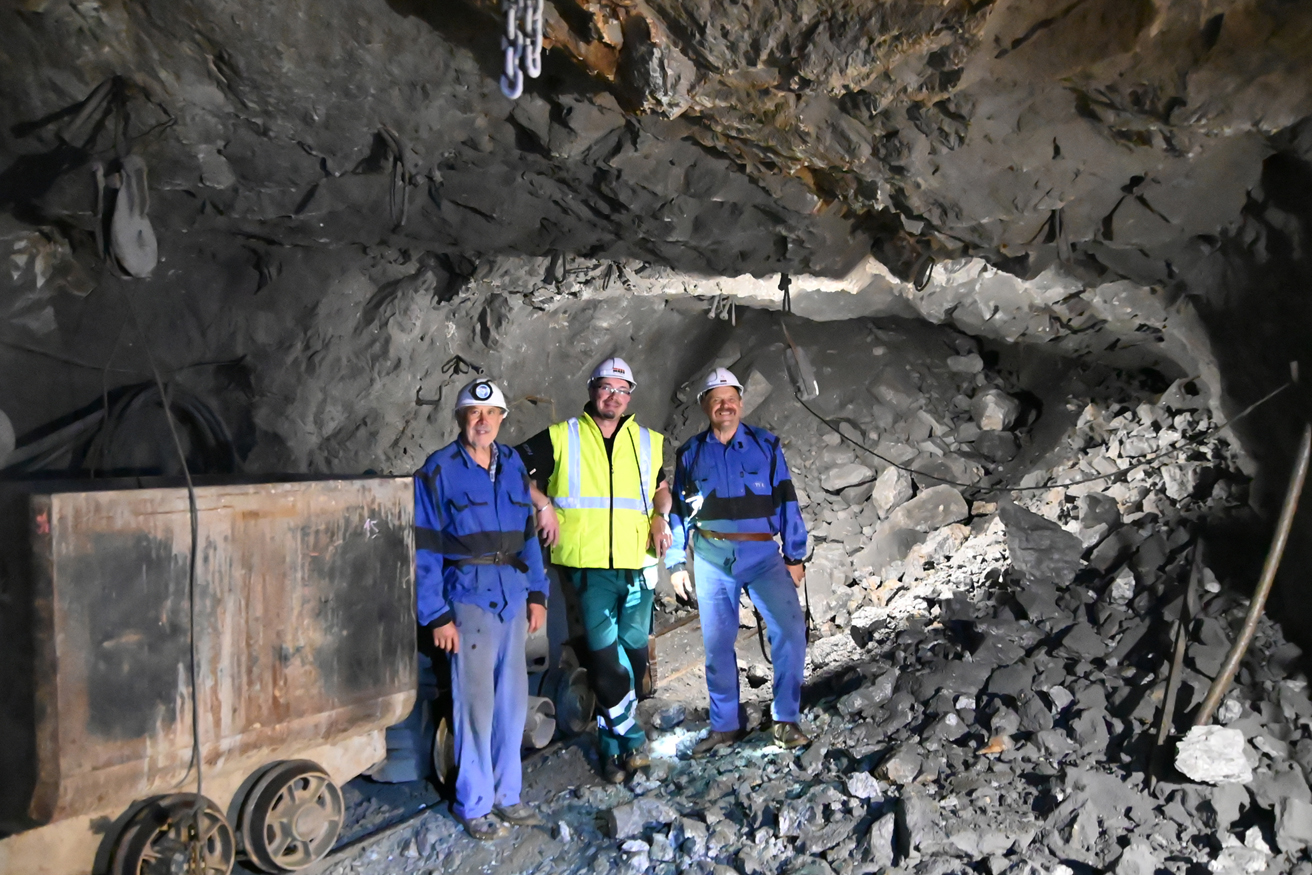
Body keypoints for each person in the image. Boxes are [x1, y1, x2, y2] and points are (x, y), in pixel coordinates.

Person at [517, 357, 673, 783]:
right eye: (606, 388)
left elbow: (661, 488)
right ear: (592, 390)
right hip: (589, 569)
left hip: (638, 564)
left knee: (633, 658)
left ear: (630, 397)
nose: (613, 397)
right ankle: (630, 742)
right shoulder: (562, 436)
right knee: (606, 661)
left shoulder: (647, 441)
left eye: (622, 391)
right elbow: (510, 466)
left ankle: (611, 742)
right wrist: (542, 503)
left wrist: (661, 515)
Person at [414, 378, 549, 841]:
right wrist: (436, 615)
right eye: (474, 412)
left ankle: (508, 795)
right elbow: (424, 548)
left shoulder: (512, 465)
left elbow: (528, 534)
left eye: (491, 414)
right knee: (476, 707)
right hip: (468, 600)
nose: (483, 421)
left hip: (512, 597)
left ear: (502, 419)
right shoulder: (438, 470)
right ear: (460, 418)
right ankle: (473, 803)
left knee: (511, 704)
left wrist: (537, 594)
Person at [666, 367, 811, 756]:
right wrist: (676, 562)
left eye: (730, 399)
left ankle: (785, 719)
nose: (724, 406)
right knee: (717, 645)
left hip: (762, 555)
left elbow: (787, 500)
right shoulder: (691, 454)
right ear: (705, 406)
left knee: (790, 630)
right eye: (717, 400)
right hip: (712, 557)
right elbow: (678, 512)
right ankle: (725, 726)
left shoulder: (766, 446)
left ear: (741, 404)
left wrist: (795, 555)